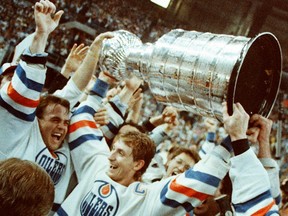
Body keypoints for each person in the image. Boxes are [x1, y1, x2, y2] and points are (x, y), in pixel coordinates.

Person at [57, 60, 278, 215]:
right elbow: (80, 121)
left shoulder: (145, 198)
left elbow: (200, 179)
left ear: (138, 164)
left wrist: (233, 138)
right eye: (114, 148)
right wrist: (103, 80)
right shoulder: (97, 163)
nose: (111, 155)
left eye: (120, 153)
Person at [0, 0, 113, 213]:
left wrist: (96, 50)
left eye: (65, 121)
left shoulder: (62, 134)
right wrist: (41, 36)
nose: (63, 126)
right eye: (55, 120)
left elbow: (75, 89)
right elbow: (23, 92)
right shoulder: (18, 126)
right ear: (36, 117)